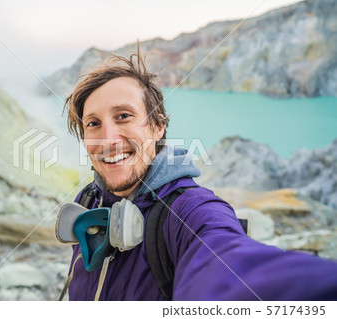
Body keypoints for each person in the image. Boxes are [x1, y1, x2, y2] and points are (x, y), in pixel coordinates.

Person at [61, 47, 337, 301]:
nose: (107, 139)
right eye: (93, 123)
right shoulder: (89, 199)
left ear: (157, 127)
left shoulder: (190, 211)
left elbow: (228, 264)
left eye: (123, 116)